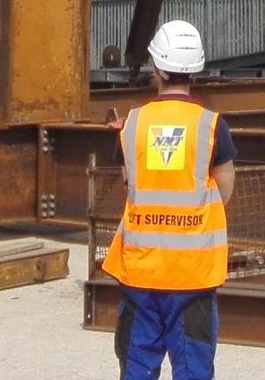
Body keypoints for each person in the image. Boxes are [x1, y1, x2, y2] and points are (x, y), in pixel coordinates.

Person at [101, 20, 233, 380]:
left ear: (156, 68)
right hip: (192, 273)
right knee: (193, 368)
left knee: (137, 366)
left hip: (141, 271)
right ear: (196, 69)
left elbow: (129, 181)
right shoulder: (211, 125)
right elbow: (224, 188)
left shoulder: (133, 124)